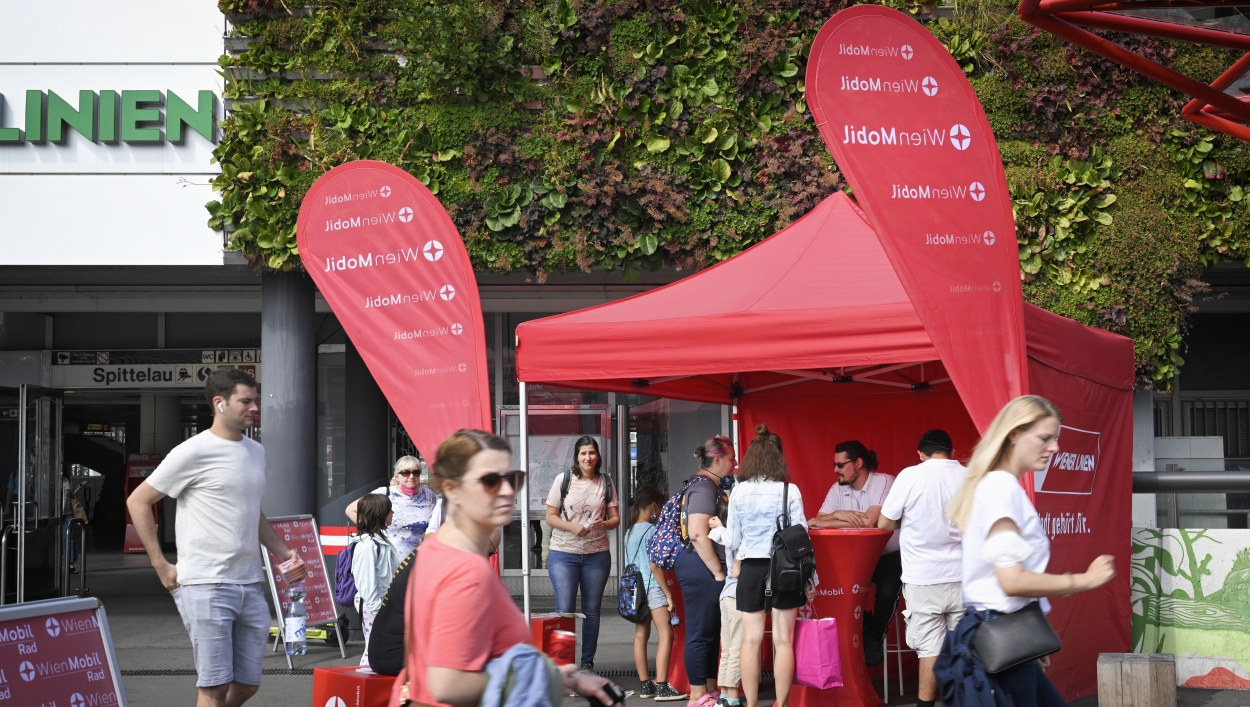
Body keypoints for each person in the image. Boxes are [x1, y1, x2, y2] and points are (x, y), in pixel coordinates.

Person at [389, 429, 614, 707]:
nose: (508, 490)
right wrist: (548, 677)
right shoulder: (466, 570)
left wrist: (569, 678)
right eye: (491, 480)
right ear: (451, 489)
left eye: (512, 478)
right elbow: (448, 684)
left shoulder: (436, 550)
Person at [126, 368, 307, 707]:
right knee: (214, 685)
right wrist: (160, 564)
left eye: (256, 400)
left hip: (249, 583)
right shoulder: (192, 451)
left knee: (248, 683)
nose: (255, 407)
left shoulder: (256, 451)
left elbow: (252, 513)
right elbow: (138, 500)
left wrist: (285, 552)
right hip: (205, 584)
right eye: (246, 401)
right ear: (220, 403)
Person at [938, 396, 1115, 707]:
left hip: (1003, 638)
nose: (1054, 448)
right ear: (1014, 434)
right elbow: (1012, 581)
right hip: (999, 638)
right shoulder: (1002, 489)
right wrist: (1083, 580)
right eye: (1045, 438)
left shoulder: (996, 486)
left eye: (1055, 439)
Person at [877, 430, 967, 707]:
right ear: (951, 451)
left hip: (923, 578)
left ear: (920, 453)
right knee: (963, 648)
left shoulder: (910, 476)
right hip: (965, 576)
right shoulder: (969, 476)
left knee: (929, 649)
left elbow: (884, 524)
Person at [727, 425, 813, 707]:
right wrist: (812, 578)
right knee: (783, 642)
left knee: (750, 641)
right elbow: (802, 539)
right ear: (779, 458)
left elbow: (733, 539)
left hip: (751, 568)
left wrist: (733, 567)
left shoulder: (739, 492)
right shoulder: (790, 490)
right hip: (785, 569)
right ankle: (783, 704)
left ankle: (751, 704)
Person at [808, 440, 899, 665]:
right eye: (834, 464)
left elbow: (870, 521)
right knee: (834, 589)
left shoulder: (885, 481)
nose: (835, 470)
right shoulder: (837, 488)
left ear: (858, 463)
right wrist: (840, 513)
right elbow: (814, 521)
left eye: (840, 465)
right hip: (852, 558)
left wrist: (832, 520)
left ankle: (875, 633)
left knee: (888, 591)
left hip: (887, 555)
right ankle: (850, 636)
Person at [544, 436, 620, 673]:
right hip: (563, 553)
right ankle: (562, 666)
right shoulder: (563, 479)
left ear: (598, 456)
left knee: (591, 611)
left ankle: (587, 664)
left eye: (592, 453)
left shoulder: (606, 481)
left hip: (597, 554)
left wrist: (605, 524)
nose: (588, 457)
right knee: (564, 610)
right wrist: (571, 527)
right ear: (576, 456)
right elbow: (550, 516)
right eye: (583, 453)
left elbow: (615, 518)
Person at [676, 434, 735, 707]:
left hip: (703, 567)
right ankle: (698, 695)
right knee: (701, 632)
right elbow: (698, 534)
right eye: (732, 459)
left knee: (710, 631)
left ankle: (710, 690)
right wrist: (719, 573)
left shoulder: (706, 485)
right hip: (702, 567)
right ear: (718, 459)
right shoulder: (704, 488)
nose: (734, 465)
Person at [624, 486, 685, 701]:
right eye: (659, 507)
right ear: (653, 506)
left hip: (635, 591)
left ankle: (645, 685)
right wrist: (668, 594)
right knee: (666, 634)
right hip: (652, 589)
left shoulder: (629, 532)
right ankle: (661, 686)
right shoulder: (652, 531)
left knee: (641, 635)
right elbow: (655, 566)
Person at [346, 456, 438, 557]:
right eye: (406, 472)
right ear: (397, 476)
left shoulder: (429, 496)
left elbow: (437, 526)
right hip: (390, 561)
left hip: (420, 560)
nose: (411, 476)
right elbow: (351, 510)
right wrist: (372, 531)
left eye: (416, 472)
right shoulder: (384, 493)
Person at [351, 493, 401, 668]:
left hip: (382, 603)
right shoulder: (367, 546)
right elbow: (366, 584)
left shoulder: (379, 541)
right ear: (380, 513)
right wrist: (376, 610)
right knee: (373, 649)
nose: (392, 512)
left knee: (378, 648)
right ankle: (364, 688)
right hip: (374, 604)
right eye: (389, 509)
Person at [707, 514, 742, 707]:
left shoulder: (728, 536)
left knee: (728, 649)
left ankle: (726, 696)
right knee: (736, 647)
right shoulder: (741, 538)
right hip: (738, 595)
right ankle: (733, 698)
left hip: (726, 594)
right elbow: (739, 570)